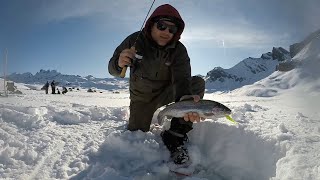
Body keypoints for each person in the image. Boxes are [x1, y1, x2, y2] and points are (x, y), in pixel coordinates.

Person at [108, 4, 205, 165]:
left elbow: (182, 81)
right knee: (136, 133)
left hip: (167, 93)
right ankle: (142, 117)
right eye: (162, 26)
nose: (166, 32)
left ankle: (175, 135)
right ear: (151, 24)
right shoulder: (134, 40)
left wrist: (187, 103)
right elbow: (112, 68)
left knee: (197, 83)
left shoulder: (179, 50)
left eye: (172, 29)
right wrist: (119, 64)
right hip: (142, 99)